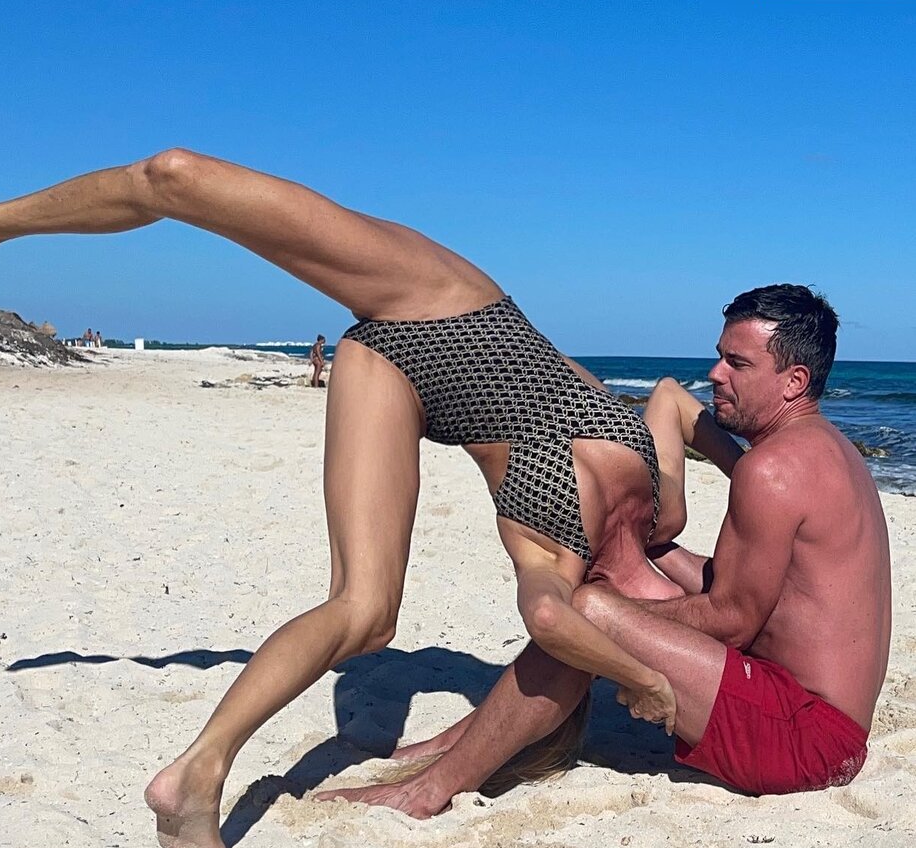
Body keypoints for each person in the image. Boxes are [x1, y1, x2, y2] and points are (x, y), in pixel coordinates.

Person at [0, 147, 696, 848]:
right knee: (176, 176)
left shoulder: (561, 545)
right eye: (668, 615)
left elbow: (550, 618)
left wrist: (639, 676)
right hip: (445, 302)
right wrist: (752, 452)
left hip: (391, 372)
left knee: (365, 615)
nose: (665, 616)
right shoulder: (664, 513)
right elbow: (675, 397)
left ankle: (199, 770)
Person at [320, 285, 891, 815]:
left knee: (585, 612)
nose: (715, 374)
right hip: (815, 715)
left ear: (793, 381)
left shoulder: (772, 470)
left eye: (737, 364)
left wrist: (614, 614)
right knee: (604, 601)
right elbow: (760, 591)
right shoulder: (829, 451)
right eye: (720, 356)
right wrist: (646, 551)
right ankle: (462, 740)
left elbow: (733, 619)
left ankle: (430, 789)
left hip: (808, 740)